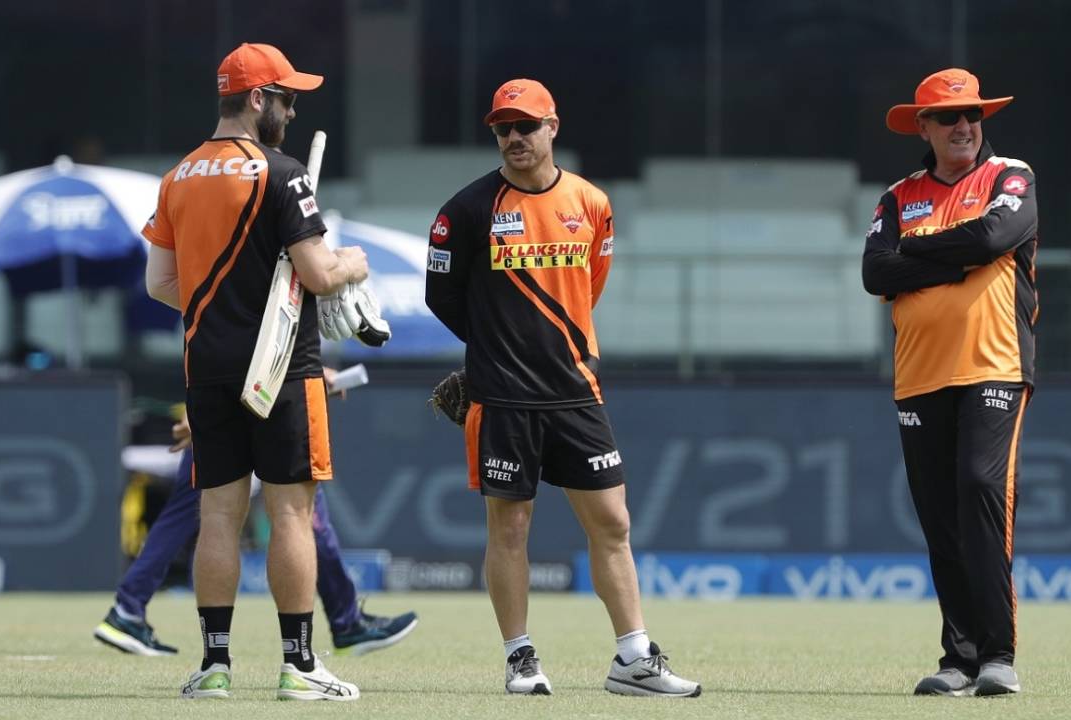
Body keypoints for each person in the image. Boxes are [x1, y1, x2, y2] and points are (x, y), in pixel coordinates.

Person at [424, 78, 701, 698]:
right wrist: (494, 346)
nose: (515, 138)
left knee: (612, 522)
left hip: (576, 391)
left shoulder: (592, 202)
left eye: (526, 126)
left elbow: (590, 285)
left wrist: (559, 350)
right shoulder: (466, 210)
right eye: (503, 129)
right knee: (511, 529)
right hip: (504, 398)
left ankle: (632, 658)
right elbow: (440, 295)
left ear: (553, 127)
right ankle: (521, 658)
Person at [143, 42, 371, 701]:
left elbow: (160, 282)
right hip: (281, 367)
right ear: (256, 100)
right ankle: (299, 667)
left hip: (206, 366)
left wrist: (226, 298)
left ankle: (214, 665)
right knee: (291, 514)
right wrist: (352, 262)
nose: (292, 112)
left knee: (219, 514)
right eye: (287, 98)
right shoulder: (282, 171)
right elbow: (320, 274)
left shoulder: (177, 176)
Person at [862, 68, 1038, 697]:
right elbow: (876, 274)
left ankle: (998, 655)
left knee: (980, 489)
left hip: (995, 365)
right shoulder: (897, 196)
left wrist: (919, 257)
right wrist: (960, 260)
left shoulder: (1010, 176)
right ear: (924, 127)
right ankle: (958, 661)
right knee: (941, 518)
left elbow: (997, 234)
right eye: (949, 117)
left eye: (973, 115)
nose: (964, 126)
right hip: (918, 376)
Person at [93, 387, 418, 658]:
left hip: (227, 395)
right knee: (295, 514)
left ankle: (135, 611)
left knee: (199, 514)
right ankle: (341, 626)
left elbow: (208, 331)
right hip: (259, 398)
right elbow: (254, 335)